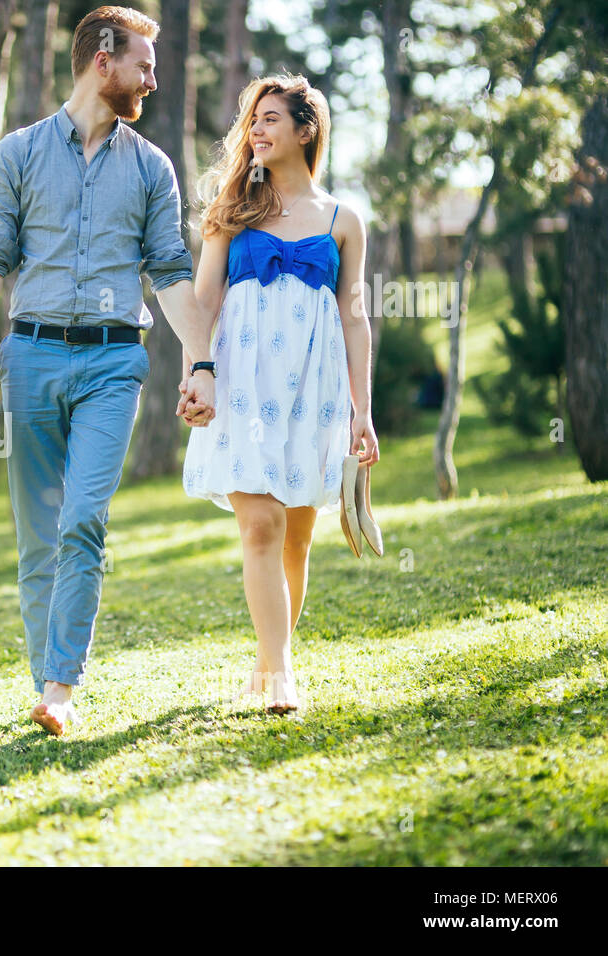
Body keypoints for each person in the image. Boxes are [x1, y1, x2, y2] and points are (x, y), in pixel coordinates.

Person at [0, 5, 215, 736]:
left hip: (113, 360)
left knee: (84, 521)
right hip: (28, 356)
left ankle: (61, 689)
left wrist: (201, 360)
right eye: (143, 66)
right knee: (39, 536)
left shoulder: (151, 166)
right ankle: (47, 684)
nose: (152, 80)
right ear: (103, 59)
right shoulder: (18, 154)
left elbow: (169, 270)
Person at [181, 74, 380, 713]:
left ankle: (268, 660)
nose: (257, 130)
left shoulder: (343, 219)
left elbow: (354, 317)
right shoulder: (231, 211)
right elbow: (203, 303)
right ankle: (281, 678)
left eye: (271, 118)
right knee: (261, 527)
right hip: (241, 382)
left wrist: (362, 412)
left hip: (313, 393)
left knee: (296, 537)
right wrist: (198, 372)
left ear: (305, 129)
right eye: (253, 121)